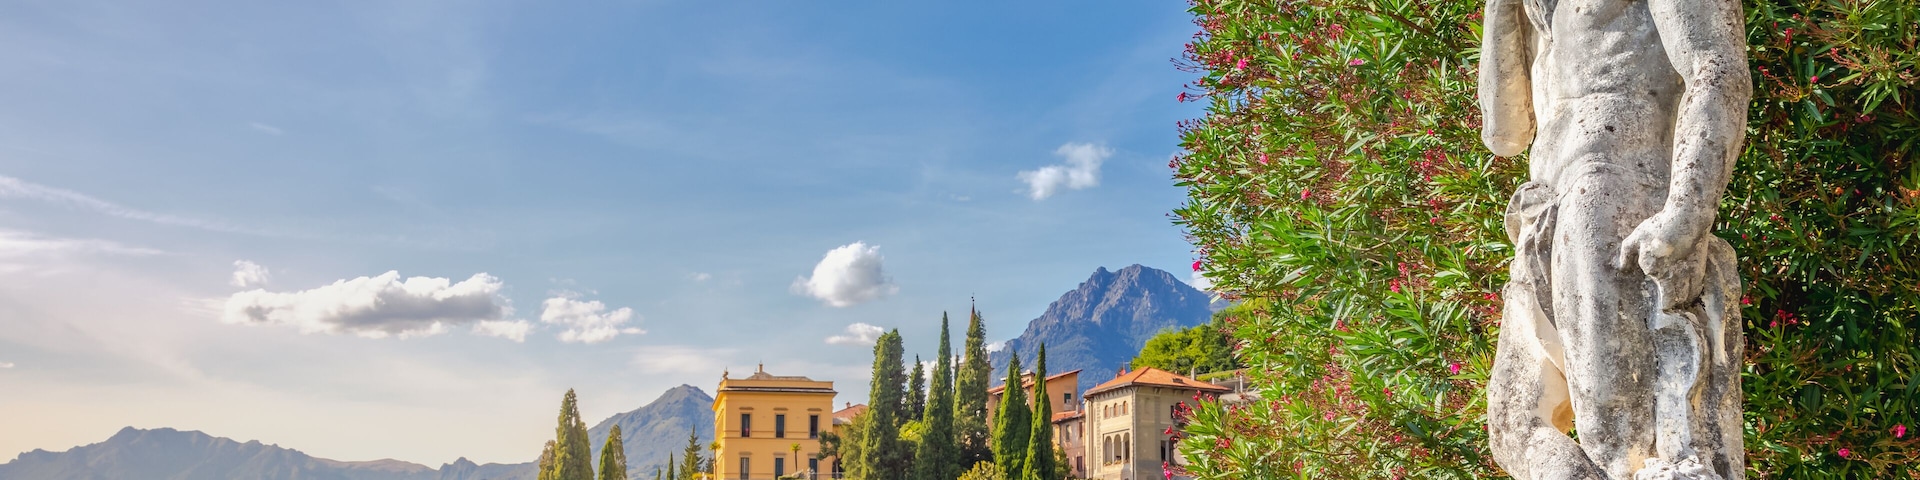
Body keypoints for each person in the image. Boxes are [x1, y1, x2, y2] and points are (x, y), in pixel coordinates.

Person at [1477, 0, 1753, 477]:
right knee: (1513, 426)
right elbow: (1504, 133)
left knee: (1621, 444)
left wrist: (1687, 211)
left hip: (1611, 193)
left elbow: (1717, 67)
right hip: (1544, 210)